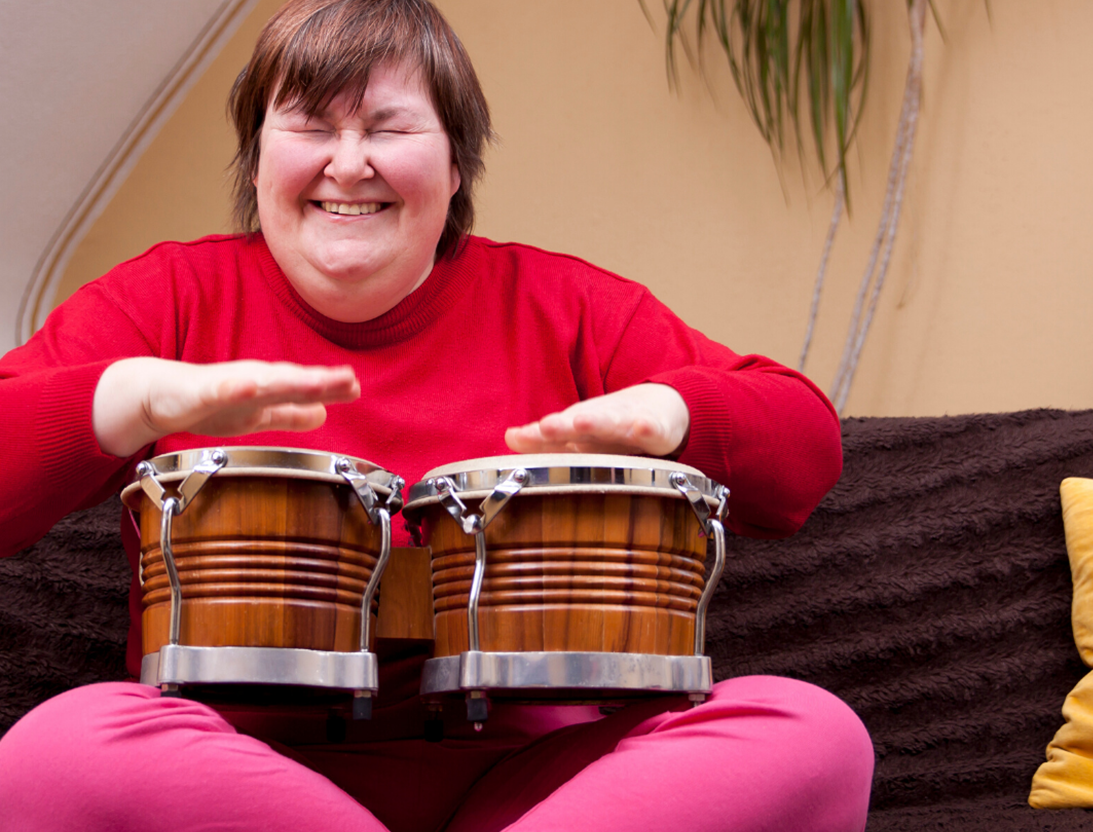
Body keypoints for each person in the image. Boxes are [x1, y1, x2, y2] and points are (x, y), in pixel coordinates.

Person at [0, 0, 873, 829]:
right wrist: (128, 400)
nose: (348, 164)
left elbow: (802, 452)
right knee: (52, 754)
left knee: (812, 735)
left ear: (456, 165)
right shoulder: (168, 298)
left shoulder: (563, 305)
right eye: (308, 124)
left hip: (540, 785)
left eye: (388, 127)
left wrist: (676, 412)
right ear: (256, 158)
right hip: (233, 770)